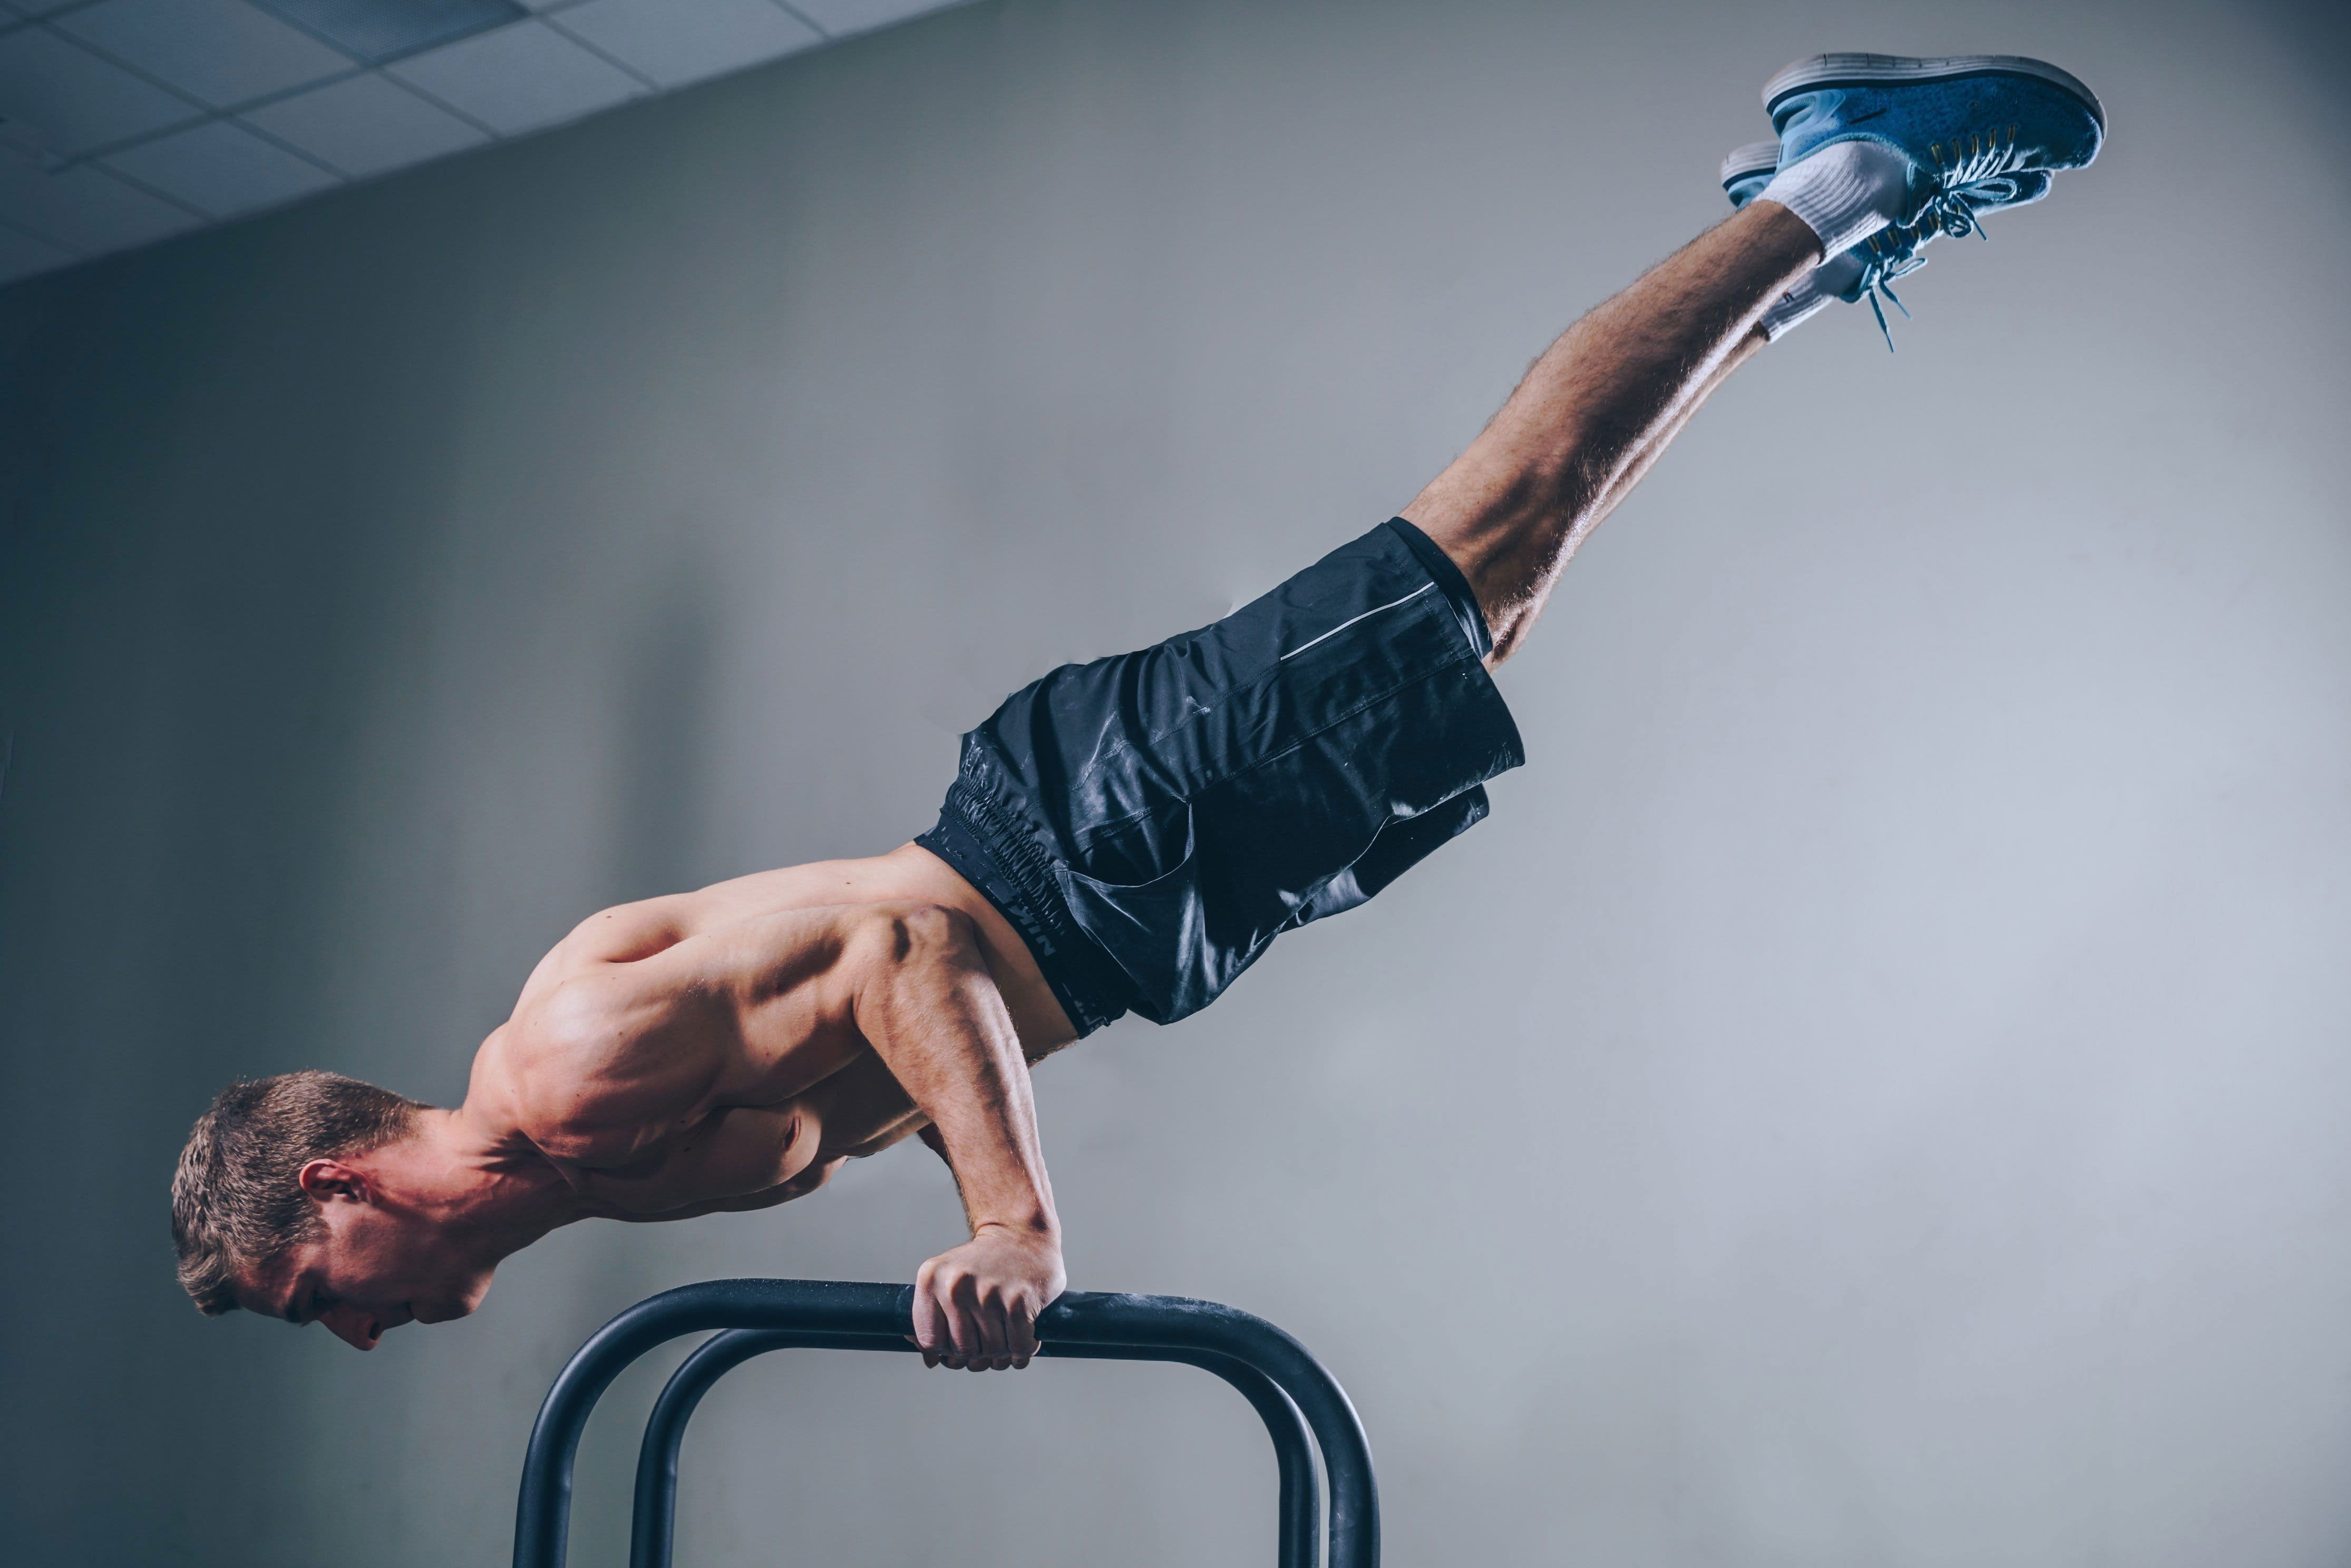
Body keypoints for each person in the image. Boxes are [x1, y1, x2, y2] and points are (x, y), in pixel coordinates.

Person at [170, 54, 2103, 1372]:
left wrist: (1013, 1222)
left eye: (307, 1293)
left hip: (1084, 828)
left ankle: (1841, 167)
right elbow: (889, 1048)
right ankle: (1819, 223)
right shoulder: (585, 1175)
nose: (348, 1331)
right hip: (1128, 907)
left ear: (337, 1185)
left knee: (1498, 524)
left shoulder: (565, 1070)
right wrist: (968, 1172)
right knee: (1514, 580)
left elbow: (902, 948)